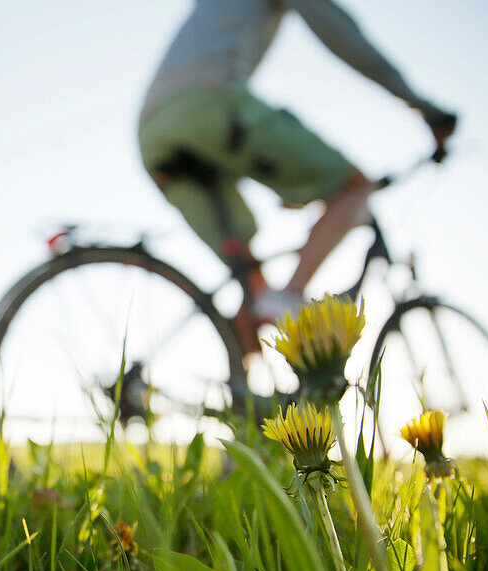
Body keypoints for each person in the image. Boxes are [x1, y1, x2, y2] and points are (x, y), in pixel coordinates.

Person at [137, 0, 455, 352]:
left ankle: (246, 396)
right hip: (208, 102)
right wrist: (423, 107)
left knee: (251, 281)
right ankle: (290, 296)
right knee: (354, 187)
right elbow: (343, 35)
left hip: (153, 135)